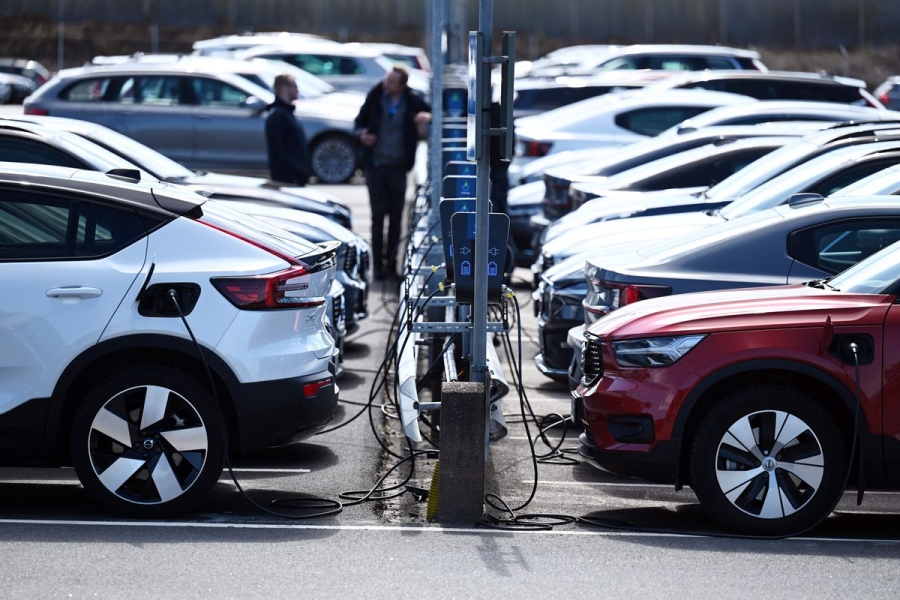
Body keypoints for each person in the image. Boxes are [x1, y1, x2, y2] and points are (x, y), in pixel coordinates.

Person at [354, 65, 432, 280]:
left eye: (392, 82)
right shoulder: (376, 96)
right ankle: (377, 266)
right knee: (377, 217)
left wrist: (427, 116)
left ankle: (392, 266)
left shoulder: (411, 99)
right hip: (376, 166)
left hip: (398, 167)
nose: (386, 84)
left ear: (402, 85)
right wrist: (362, 134)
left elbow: (431, 113)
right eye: (387, 80)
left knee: (397, 219)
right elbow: (359, 122)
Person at [265, 74, 311, 186]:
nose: (297, 90)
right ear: (285, 88)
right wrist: (298, 172)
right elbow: (278, 152)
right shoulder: (277, 116)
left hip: (295, 179)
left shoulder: (288, 114)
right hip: (287, 180)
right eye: (294, 86)